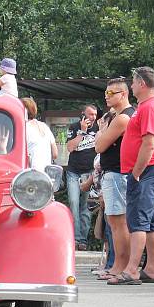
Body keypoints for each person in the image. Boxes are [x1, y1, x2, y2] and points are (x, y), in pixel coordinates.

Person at [108, 67, 154, 285]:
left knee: (139, 220)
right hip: (150, 170)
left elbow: (149, 142)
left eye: (133, 83)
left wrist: (136, 172)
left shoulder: (150, 107)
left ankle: (132, 269)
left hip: (147, 171)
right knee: (151, 222)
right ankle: (151, 268)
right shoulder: (149, 105)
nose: (131, 87)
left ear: (142, 83)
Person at [93, 78, 134, 278]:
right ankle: (119, 265)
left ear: (123, 94)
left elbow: (99, 146)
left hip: (117, 174)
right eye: (106, 93)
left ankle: (120, 266)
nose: (107, 96)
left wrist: (101, 131)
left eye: (112, 93)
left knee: (118, 222)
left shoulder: (122, 118)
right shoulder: (121, 116)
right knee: (116, 222)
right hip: (116, 173)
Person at [66, 104, 99, 250]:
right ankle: (75, 237)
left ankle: (83, 240)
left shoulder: (99, 128)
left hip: (89, 172)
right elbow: (70, 148)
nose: (93, 117)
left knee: (85, 206)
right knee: (73, 202)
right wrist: (82, 132)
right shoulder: (73, 127)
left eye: (95, 114)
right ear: (83, 114)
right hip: (74, 171)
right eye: (90, 114)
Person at [20, 98, 57, 169]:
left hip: (31, 173)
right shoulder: (44, 126)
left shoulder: (23, 128)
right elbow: (55, 154)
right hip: (46, 175)